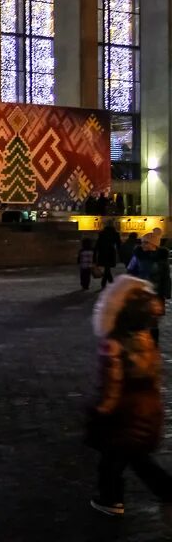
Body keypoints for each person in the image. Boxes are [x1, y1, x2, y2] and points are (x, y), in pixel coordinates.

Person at [85, 275, 172, 523]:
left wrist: (102, 409)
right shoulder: (146, 338)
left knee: (117, 457)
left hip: (124, 410)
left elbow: (112, 384)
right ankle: (158, 491)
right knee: (132, 456)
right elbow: (155, 375)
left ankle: (111, 499)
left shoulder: (113, 344)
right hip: (147, 406)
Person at [96, 221, 122, 290]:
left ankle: (107, 283)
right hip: (110, 252)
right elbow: (119, 245)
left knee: (107, 268)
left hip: (103, 252)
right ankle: (110, 283)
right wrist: (120, 254)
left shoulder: (102, 234)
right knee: (107, 268)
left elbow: (97, 244)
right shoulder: (115, 234)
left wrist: (95, 254)